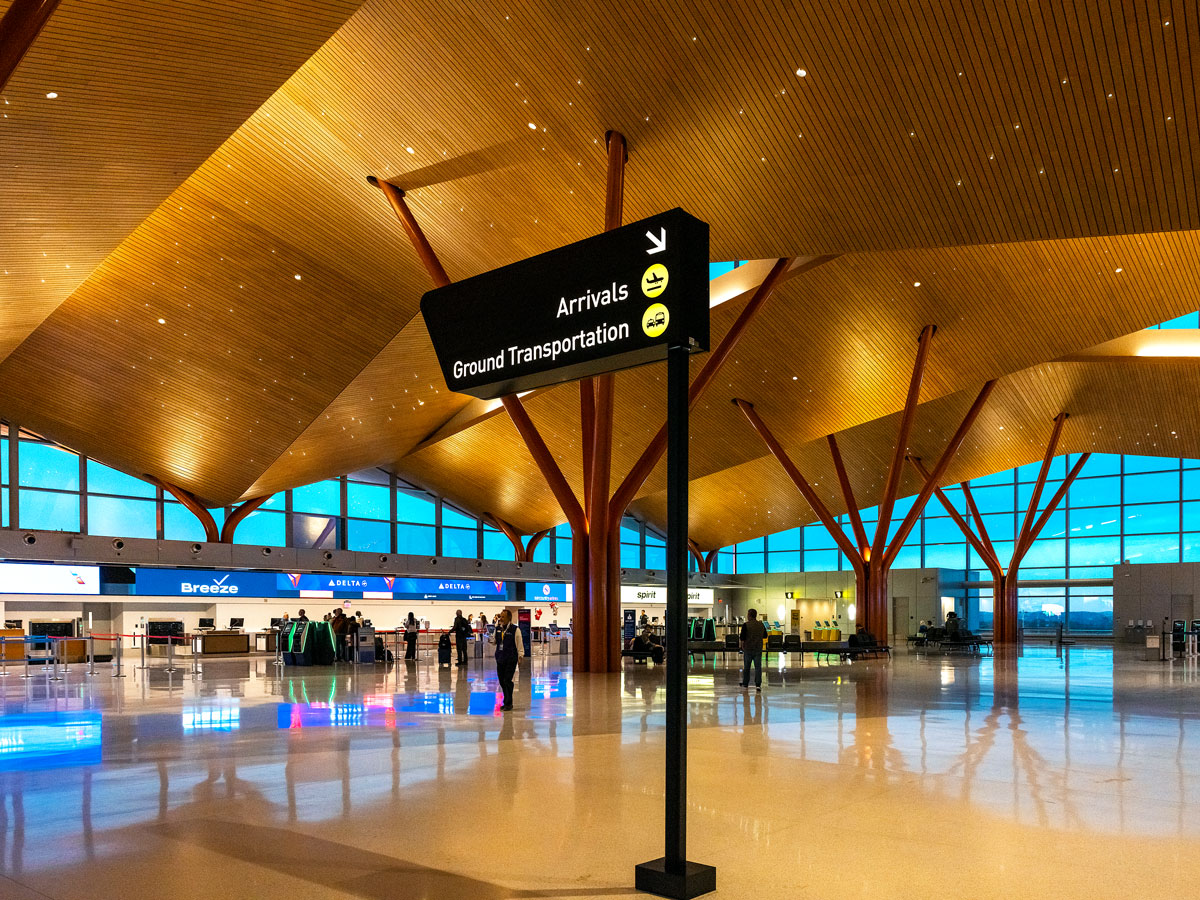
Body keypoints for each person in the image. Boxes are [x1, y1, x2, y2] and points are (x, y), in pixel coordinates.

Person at [493, 608, 524, 710]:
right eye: (500, 616)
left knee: (507, 680)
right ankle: (506, 701)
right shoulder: (497, 629)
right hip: (500, 658)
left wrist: (520, 655)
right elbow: (494, 641)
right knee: (502, 681)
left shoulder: (515, 629)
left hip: (511, 658)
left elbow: (519, 643)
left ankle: (508, 703)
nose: (500, 618)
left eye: (503, 617)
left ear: (509, 618)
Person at [739, 608, 766, 692]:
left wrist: (742, 645)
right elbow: (765, 635)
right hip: (758, 648)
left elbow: (742, 637)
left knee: (747, 667)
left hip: (748, 648)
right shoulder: (761, 625)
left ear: (749, 615)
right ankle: (758, 684)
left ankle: (745, 683)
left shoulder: (746, 625)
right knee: (758, 667)